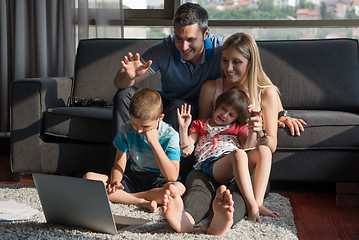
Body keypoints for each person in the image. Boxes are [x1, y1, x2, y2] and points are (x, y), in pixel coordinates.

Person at [84, 88, 185, 213]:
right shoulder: (126, 129)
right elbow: (118, 163)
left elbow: (172, 176)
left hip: (159, 181)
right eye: (134, 124)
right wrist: (115, 181)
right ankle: (141, 202)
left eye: (145, 126)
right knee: (89, 178)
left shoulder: (171, 135)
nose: (139, 130)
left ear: (160, 117)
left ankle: (124, 198)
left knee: (177, 189)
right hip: (135, 179)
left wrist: (154, 143)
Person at [177, 88, 264, 222]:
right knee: (239, 155)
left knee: (263, 151)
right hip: (210, 165)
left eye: (231, 115)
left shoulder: (237, 128)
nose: (225, 115)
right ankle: (252, 207)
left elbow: (248, 147)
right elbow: (186, 150)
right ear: (216, 105)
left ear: (236, 118)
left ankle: (258, 204)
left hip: (233, 164)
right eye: (223, 108)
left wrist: (252, 128)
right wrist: (183, 129)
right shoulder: (199, 125)